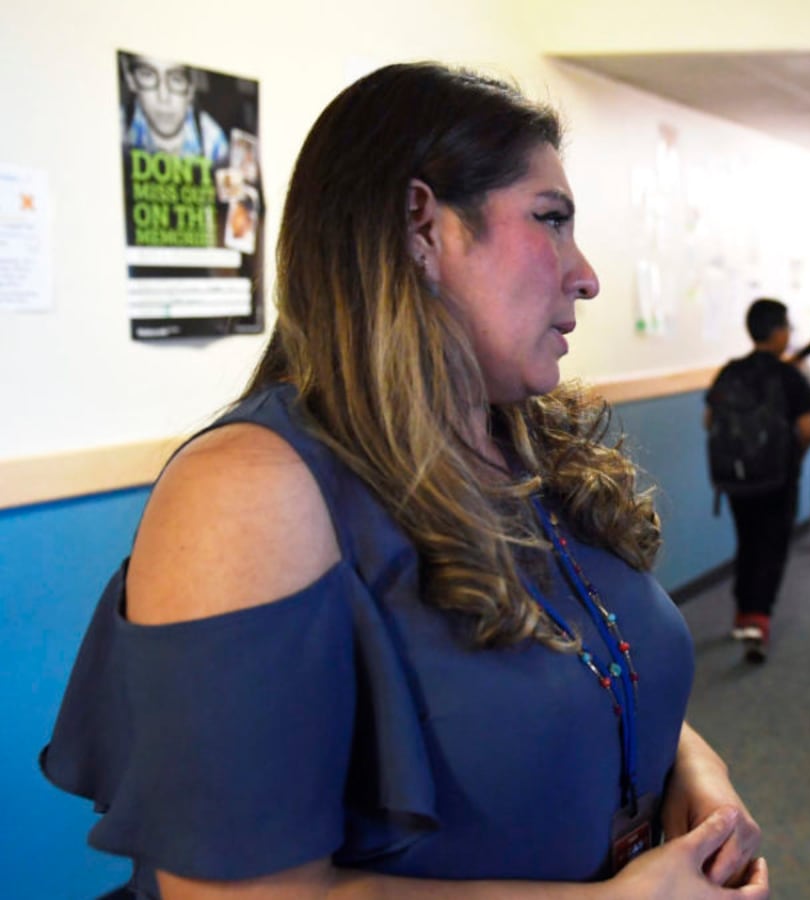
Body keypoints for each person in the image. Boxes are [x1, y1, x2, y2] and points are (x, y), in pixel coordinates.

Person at [43, 63, 767, 898]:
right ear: (422, 228)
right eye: (551, 221)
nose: (586, 273)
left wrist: (691, 770)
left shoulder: (527, 443)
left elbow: (592, 667)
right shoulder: (250, 492)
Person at [704, 299, 810, 662]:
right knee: (774, 545)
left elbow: (709, 420)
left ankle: (742, 612)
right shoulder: (790, 376)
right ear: (780, 332)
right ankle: (758, 618)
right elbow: (807, 428)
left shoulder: (730, 371)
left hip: (737, 478)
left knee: (748, 540)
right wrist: (791, 455)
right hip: (778, 477)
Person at [119, 52, 229, 166]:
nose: (163, 97)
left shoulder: (211, 139)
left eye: (176, 79)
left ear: (191, 87)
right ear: (130, 78)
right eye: (147, 75)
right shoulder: (116, 129)